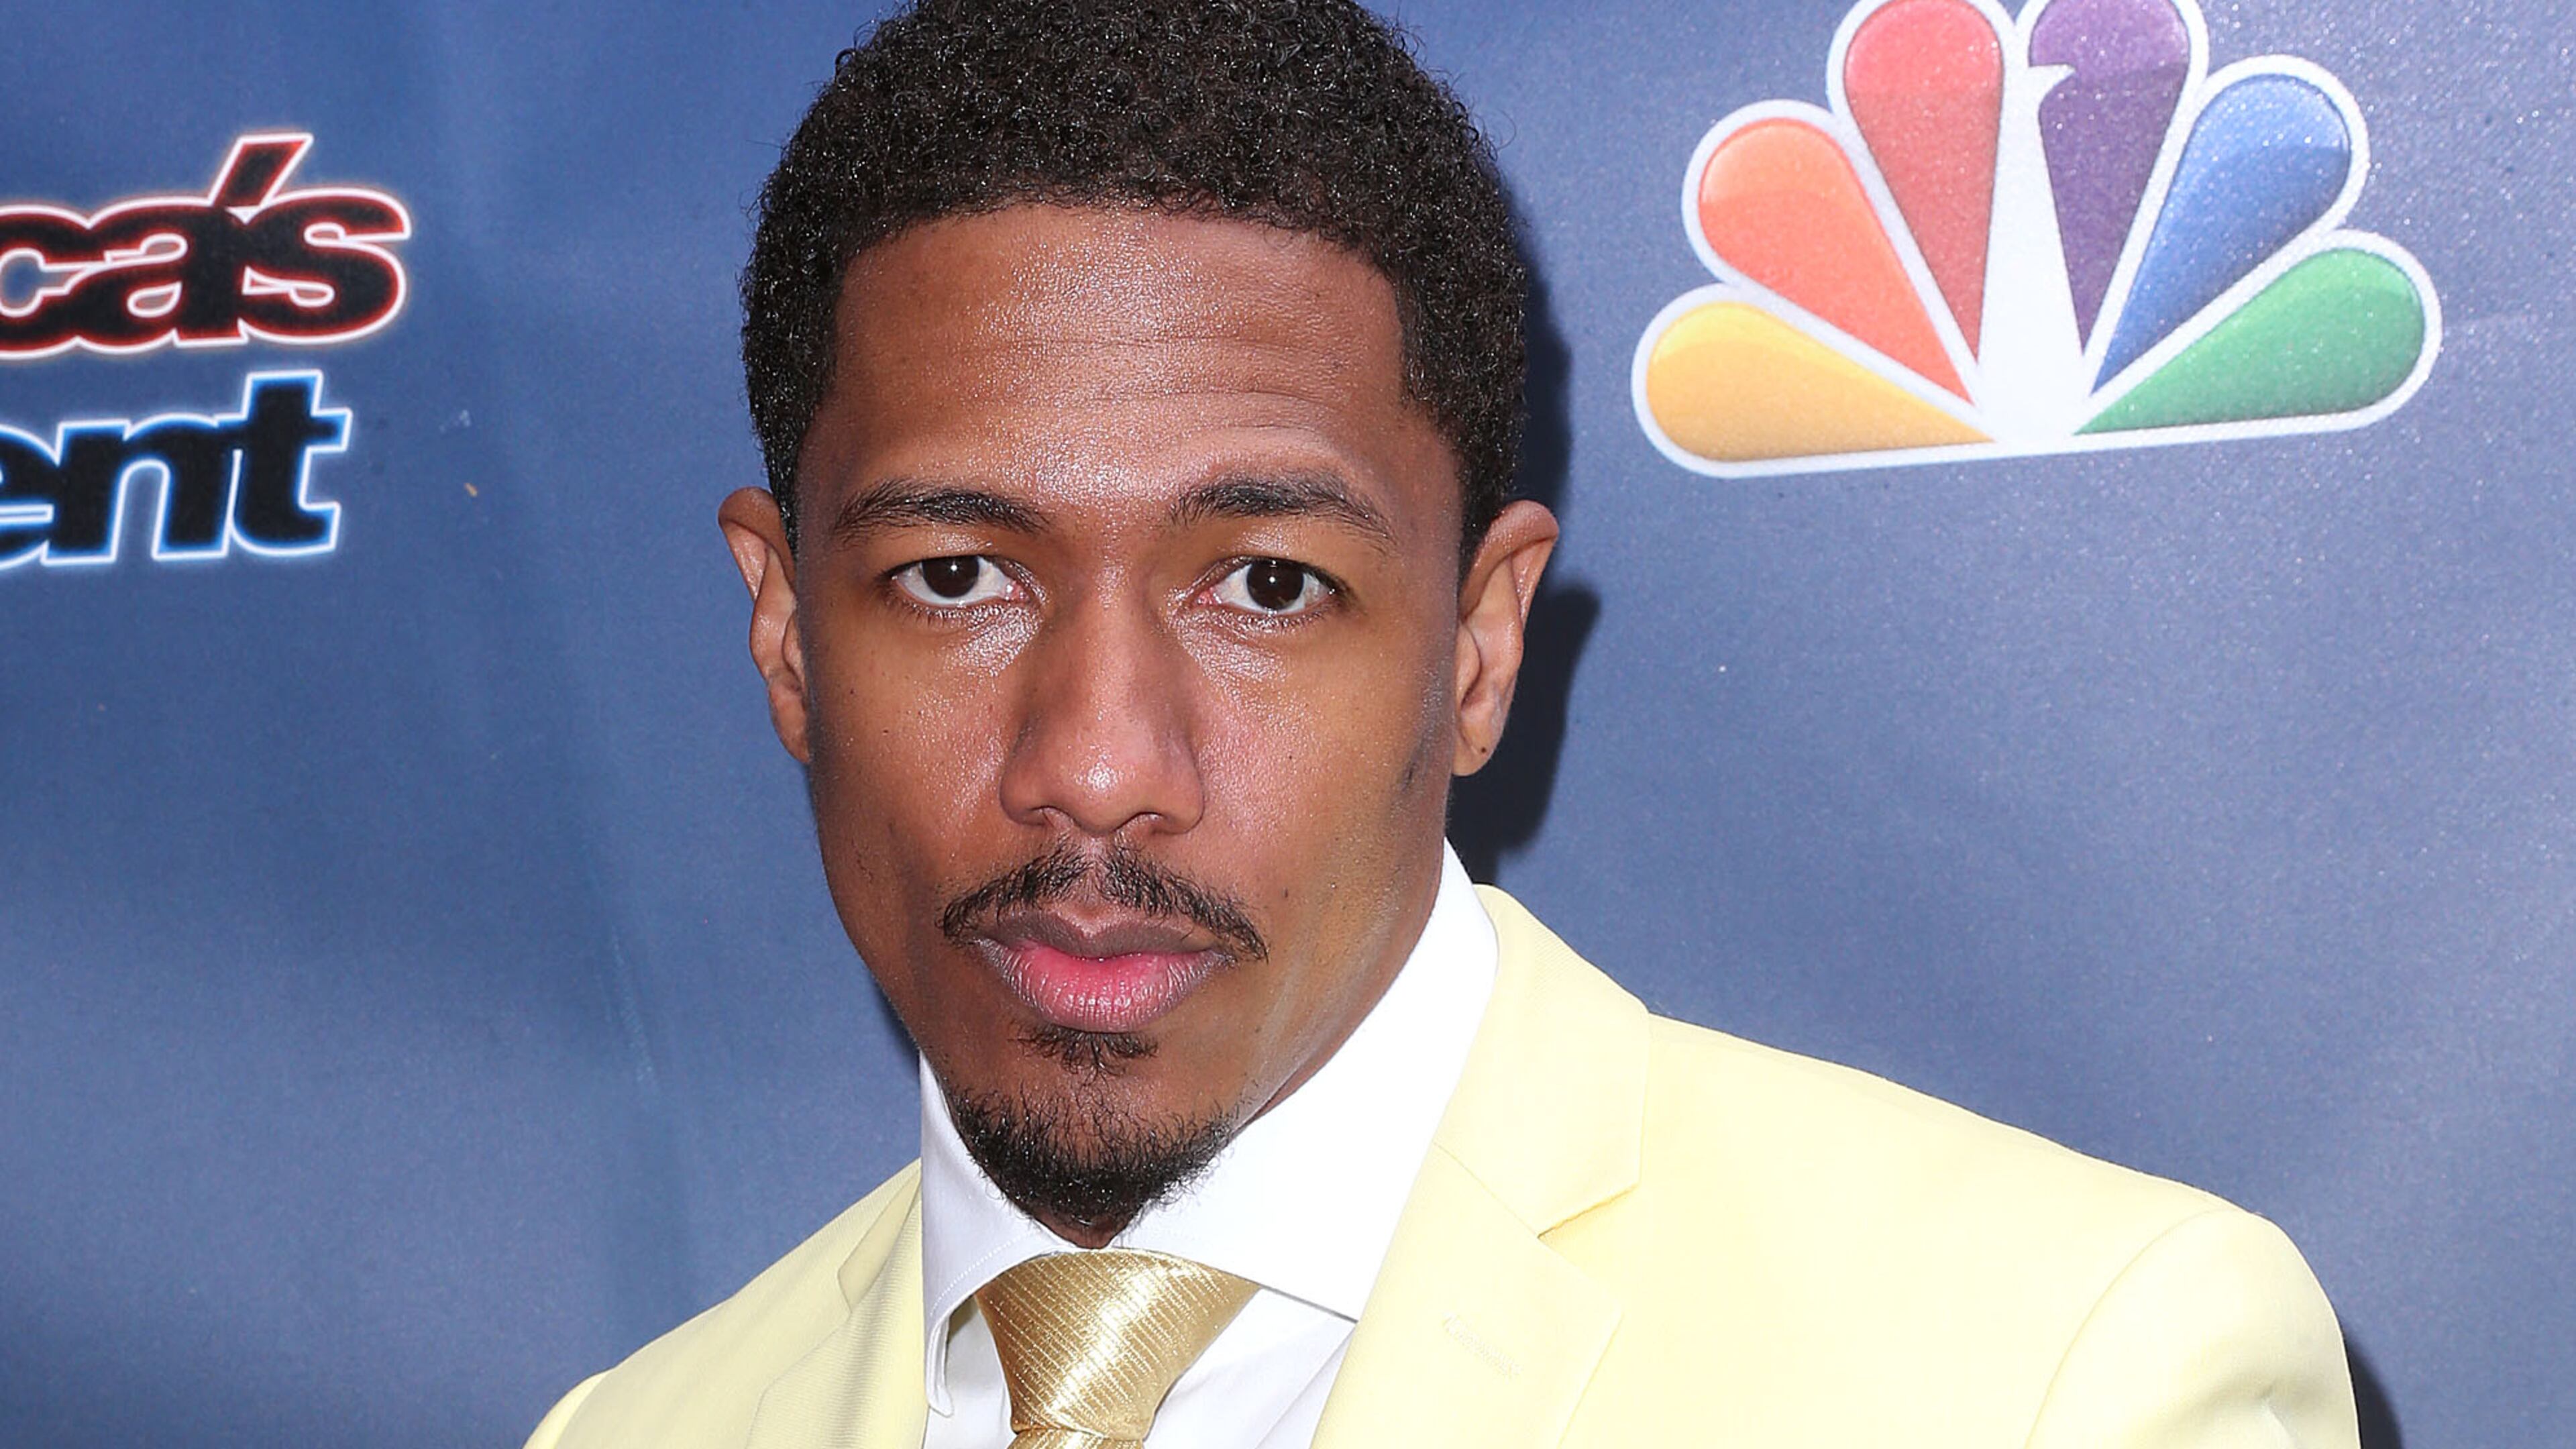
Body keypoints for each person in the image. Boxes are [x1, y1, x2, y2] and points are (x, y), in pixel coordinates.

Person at [526, 1, 2360, 1445]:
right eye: (955, 578)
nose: (1093, 761)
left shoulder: (2057, 1380)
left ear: (1479, 646)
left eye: (1263, 585)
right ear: (781, 630)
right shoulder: (637, 1431)